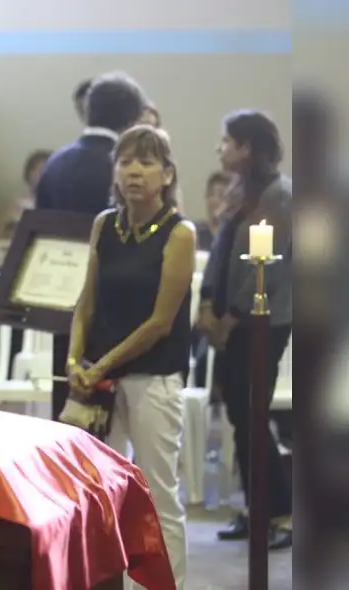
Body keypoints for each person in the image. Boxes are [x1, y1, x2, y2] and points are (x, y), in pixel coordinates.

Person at [67, 125, 194, 589]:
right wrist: (74, 359)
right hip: (99, 380)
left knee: (158, 492)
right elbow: (87, 301)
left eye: (145, 162)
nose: (134, 171)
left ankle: (167, 583)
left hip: (151, 378)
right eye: (125, 162)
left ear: (167, 174)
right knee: (98, 488)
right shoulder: (106, 224)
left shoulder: (179, 233)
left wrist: (101, 365)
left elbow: (161, 321)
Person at [198, 109, 293, 550]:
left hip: (260, 324)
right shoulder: (241, 191)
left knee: (252, 417)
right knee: (241, 418)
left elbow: (265, 269)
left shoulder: (281, 195)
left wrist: (230, 317)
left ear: (248, 147)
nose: (220, 148)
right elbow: (221, 254)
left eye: (227, 141)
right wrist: (207, 305)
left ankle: (283, 514)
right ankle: (257, 510)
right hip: (229, 324)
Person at [36, 71, 148, 420]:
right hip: (110, 306)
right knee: (107, 422)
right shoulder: (123, 169)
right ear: (132, 119)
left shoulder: (54, 163)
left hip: (57, 295)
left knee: (65, 403)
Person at [195, 170, 231, 250]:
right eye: (210, 194)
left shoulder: (233, 237)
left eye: (221, 195)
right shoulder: (195, 233)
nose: (213, 200)